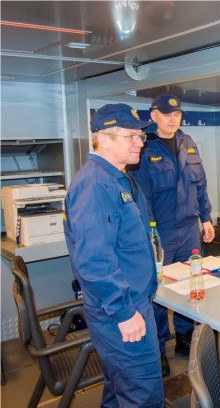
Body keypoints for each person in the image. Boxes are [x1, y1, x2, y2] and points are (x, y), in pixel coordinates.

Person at [63, 104, 164, 406]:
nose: (140, 143)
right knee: (142, 396)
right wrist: (124, 313)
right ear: (104, 139)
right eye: (131, 136)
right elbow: (94, 260)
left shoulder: (117, 177)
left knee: (120, 389)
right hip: (121, 309)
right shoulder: (95, 185)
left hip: (129, 301)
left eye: (140, 137)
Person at [128, 93, 215, 376]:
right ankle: (158, 347)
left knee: (190, 284)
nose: (172, 119)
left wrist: (206, 218)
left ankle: (184, 337)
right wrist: (150, 234)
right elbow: (142, 197)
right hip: (161, 231)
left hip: (190, 229)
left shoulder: (187, 142)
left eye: (176, 114)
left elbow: (200, 185)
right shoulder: (144, 146)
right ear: (153, 116)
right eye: (166, 114)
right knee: (158, 290)